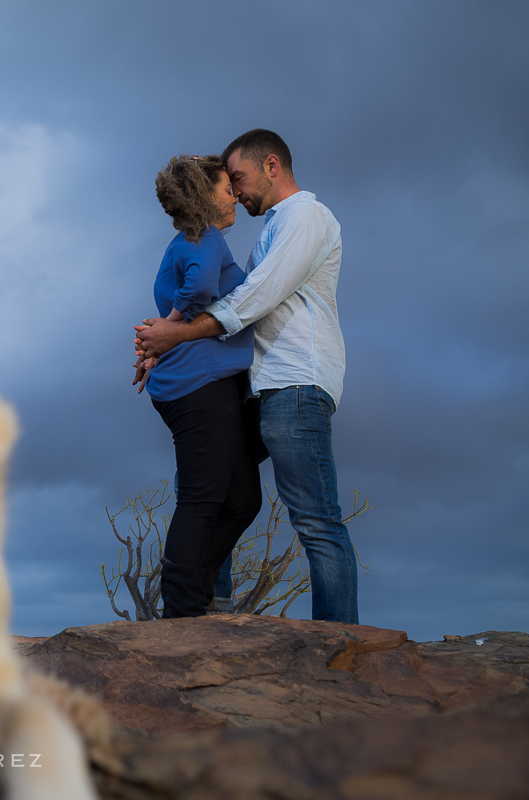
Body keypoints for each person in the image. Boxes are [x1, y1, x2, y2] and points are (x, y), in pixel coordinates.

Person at [135, 130, 357, 624]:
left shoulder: (306, 218)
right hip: (259, 384)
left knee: (313, 520)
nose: (236, 191)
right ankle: (206, 607)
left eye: (239, 178)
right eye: (227, 182)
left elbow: (256, 298)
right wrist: (194, 175)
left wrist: (174, 333)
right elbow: (228, 300)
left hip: (293, 381)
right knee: (219, 491)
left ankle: (339, 639)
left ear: (271, 165)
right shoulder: (269, 229)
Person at [142, 154, 261, 618]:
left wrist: (158, 343)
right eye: (225, 188)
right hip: (199, 384)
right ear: (203, 197)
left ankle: (193, 591)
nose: (233, 195)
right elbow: (199, 290)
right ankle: (182, 610)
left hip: (207, 381)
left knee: (243, 498)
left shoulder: (186, 242)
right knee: (203, 497)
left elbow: (190, 290)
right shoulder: (206, 240)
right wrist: (169, 329)